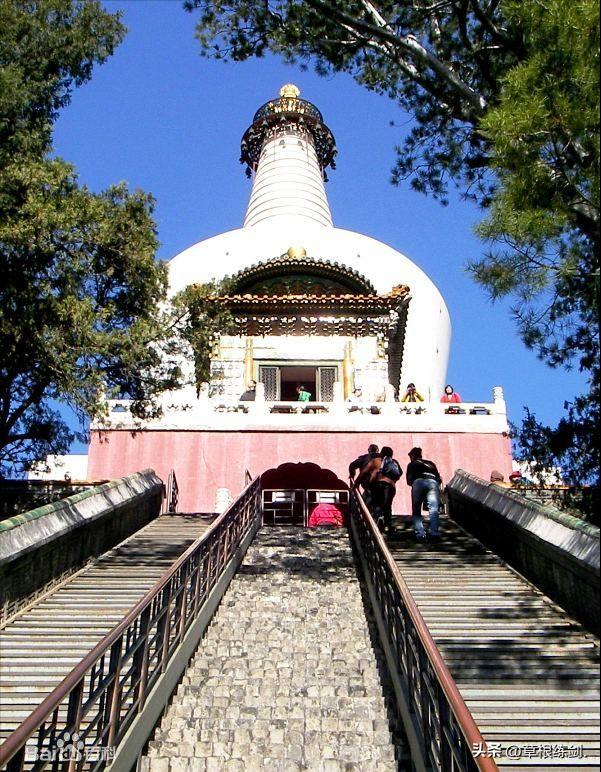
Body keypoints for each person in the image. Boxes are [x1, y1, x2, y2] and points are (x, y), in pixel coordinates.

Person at [363, 446, 403, 534]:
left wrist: (367, 483)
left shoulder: (377, 460)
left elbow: (368, 472)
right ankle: (388, 525)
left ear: (382, 453)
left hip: (378, 485)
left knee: (377, 503)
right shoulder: (394, 462)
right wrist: (393, 480)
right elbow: (400, 473)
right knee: (387, 505)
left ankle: (379, 519)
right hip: (390, 486)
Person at [406, 447, 442, 542]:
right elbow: (439, 479)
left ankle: (420, 534)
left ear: (413, 456)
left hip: (418, 482)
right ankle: (434, 533)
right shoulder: (431, 463)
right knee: (433, 509)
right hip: (432, 482)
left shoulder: (411, 464)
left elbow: (409, 481)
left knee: (416, 509)